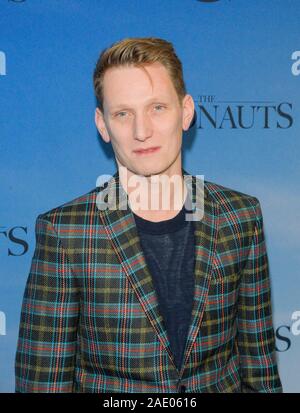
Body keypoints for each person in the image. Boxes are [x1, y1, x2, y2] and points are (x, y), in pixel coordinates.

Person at [15, 37, 282, 393]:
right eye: (123, 113)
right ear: (102, 125)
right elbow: (42, 384)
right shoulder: (66, 232)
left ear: (186, 112)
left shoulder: (240, 217)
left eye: (157, 108)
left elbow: (260, 371)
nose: (142, 131)